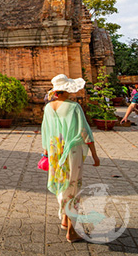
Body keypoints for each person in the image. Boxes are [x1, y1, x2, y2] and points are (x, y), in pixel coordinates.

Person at [41, 74, 99, 243]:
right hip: (71, 152)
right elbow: (84, 132)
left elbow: (45, 133)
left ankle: (65, 220)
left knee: (61, 184)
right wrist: (94, 154)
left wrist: (46, 153)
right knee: (72, 189)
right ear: (65, 90)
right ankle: (72, 232)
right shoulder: (74, 107)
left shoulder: (48, 108)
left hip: (54, 151)